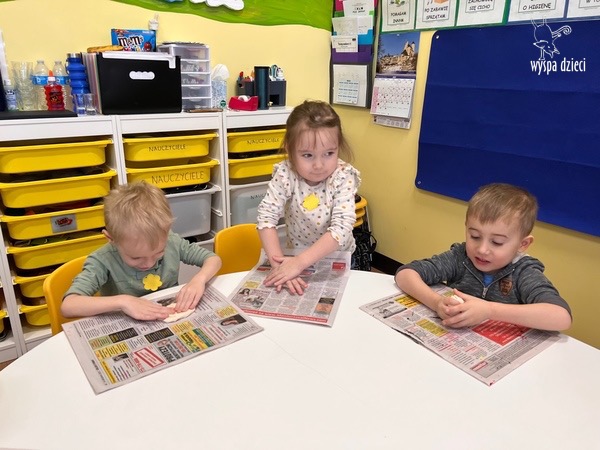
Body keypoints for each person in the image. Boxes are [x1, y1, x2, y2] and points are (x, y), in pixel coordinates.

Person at [394, 183, 572, 331]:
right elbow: (405, 274)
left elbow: (561, 317)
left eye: (497, 242)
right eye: (475, 236)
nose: (482, 249)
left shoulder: (524, 272)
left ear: (522, 244)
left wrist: (489, 310)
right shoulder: (460, 257)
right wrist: (436, 303)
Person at [62, 181, 222, 321]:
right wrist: (122, 301)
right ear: (111, 239)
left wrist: (198, 280)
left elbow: (213, 259)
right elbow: (69, 306)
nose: (149, 263)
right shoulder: (102, 260)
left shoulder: (172, 242)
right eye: (136, 258)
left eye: (159, 252)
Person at [256, 100, 360, 295]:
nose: (319, 165)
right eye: (308, 155)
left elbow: (341, 228)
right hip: (295, 258)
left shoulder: (343, 176)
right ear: (289, 149)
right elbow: (266, 218)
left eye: (329, 153)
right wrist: (279, 267)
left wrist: (299, 263)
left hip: (337, 258)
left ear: (338, 147)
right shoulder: (286, 173)